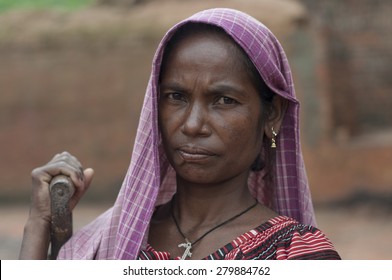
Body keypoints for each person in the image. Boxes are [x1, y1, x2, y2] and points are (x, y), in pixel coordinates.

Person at [19, 8, 340, 260]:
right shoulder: (110, 241)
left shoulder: (296, 255)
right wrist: (39, 224)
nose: (192, 125)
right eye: (177, 97)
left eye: (224, 100)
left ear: (271, 114)